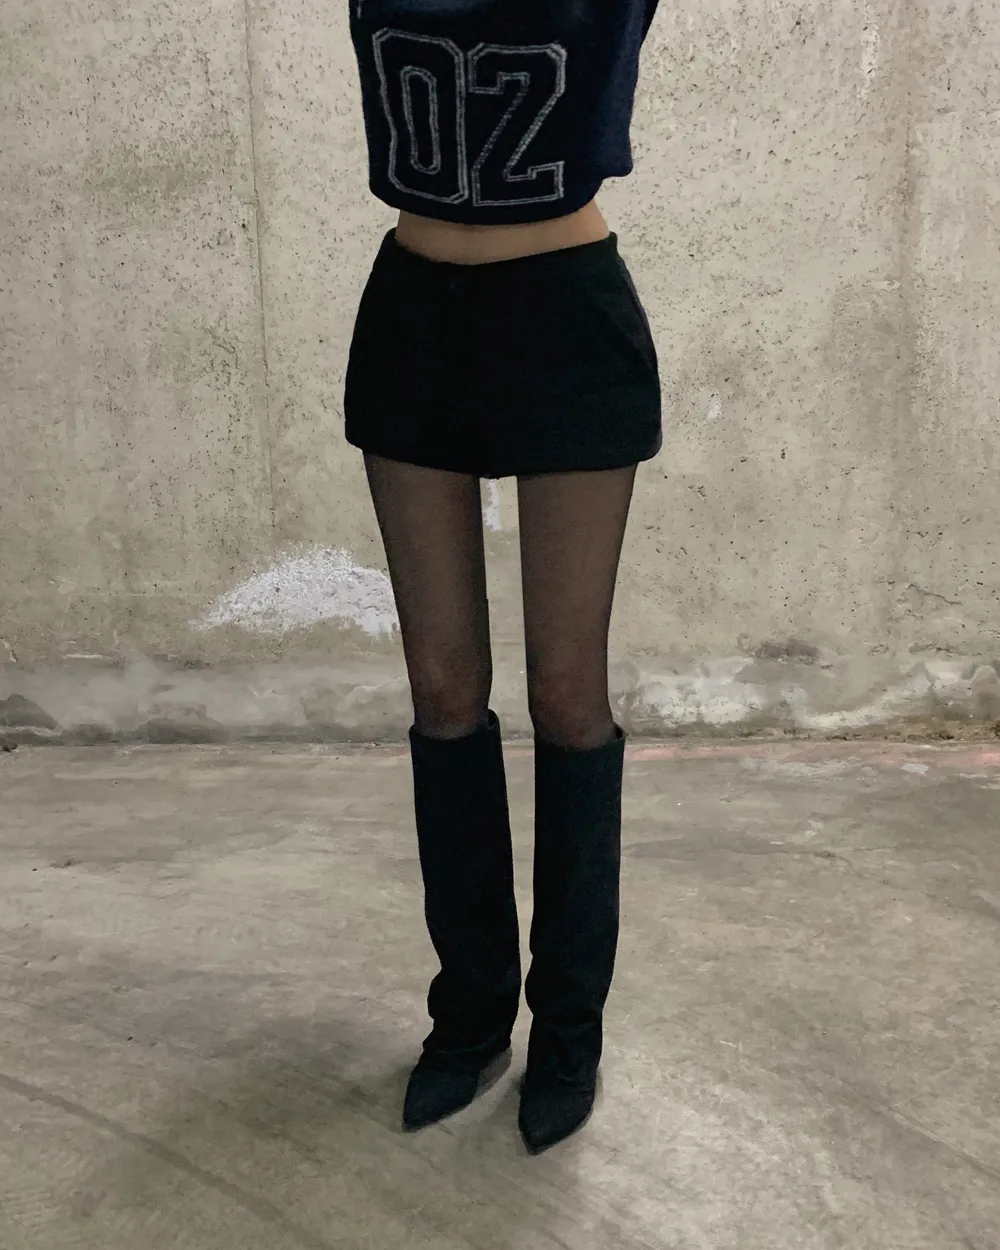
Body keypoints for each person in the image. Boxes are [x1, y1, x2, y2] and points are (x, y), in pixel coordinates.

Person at [345, 0, 662, 1153]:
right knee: (442, 689)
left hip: (567, 317)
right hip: (412, 320)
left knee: (568, 694)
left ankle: (567, 1030)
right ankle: (470, 1015)